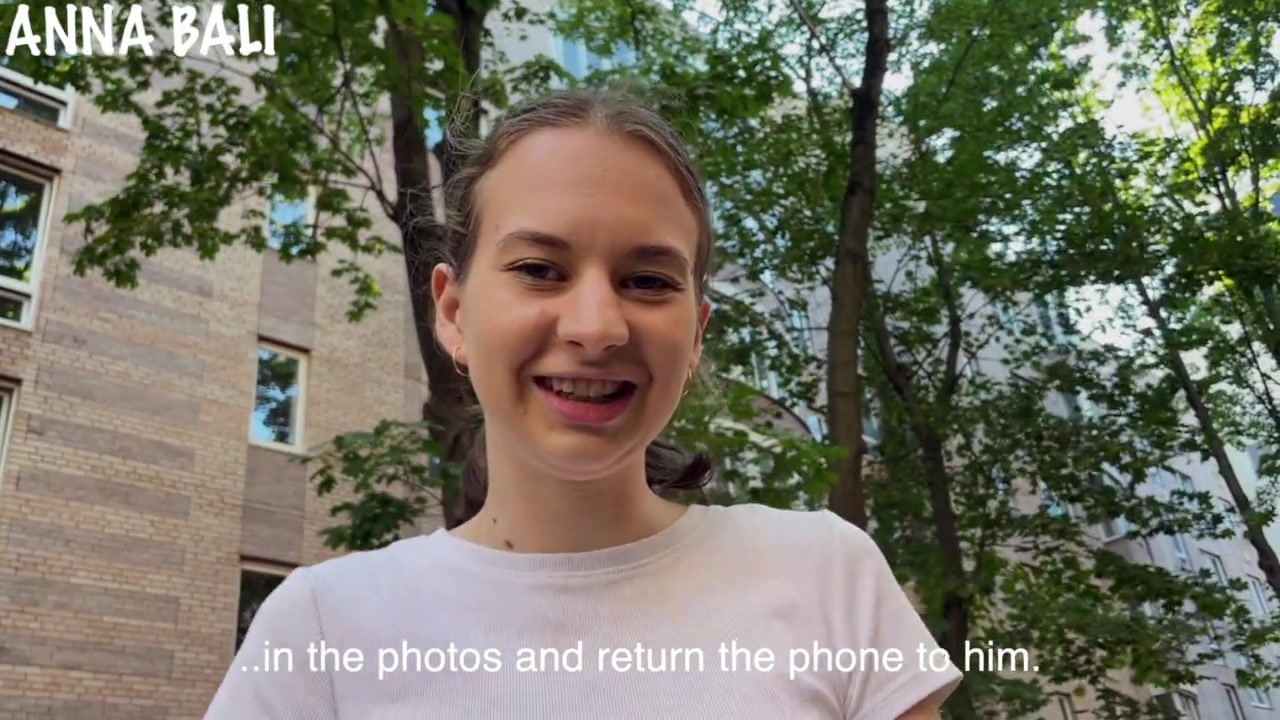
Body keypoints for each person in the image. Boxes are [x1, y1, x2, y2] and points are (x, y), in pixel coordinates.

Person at [204, 87, 962, 719]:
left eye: (648, 281)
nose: (596, 328)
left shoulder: (826, 574)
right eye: (539, 268)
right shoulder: (321, 629)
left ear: (696, 335)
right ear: (454, 312)